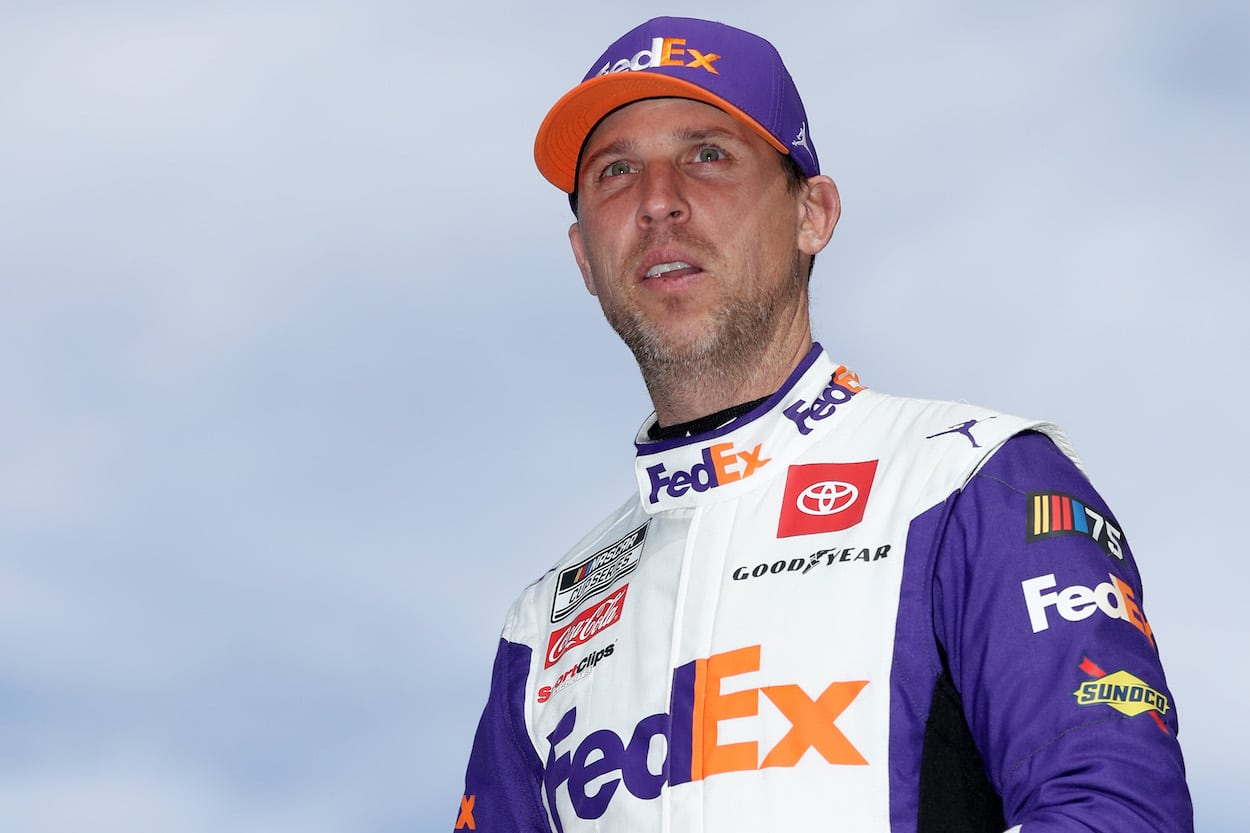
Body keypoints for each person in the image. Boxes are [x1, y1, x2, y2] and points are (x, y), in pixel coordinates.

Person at [453, 16, 1193, 833]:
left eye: (708, 154)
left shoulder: (970, 482)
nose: (658, 202)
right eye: (615, 171)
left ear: (814, 213)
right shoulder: (546, 623)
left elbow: (1115, 811)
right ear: (584, 258)